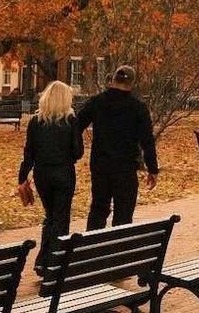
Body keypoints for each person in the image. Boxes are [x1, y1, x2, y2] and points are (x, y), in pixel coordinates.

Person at [77, 65, 158, 230]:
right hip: (125, 168)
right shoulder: (138, 108)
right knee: (124, 213)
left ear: (113, 79)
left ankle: (91, 248)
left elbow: (76, 125)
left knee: (98, 209)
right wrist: (152, 168)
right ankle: (118, 250)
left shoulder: (97, 102)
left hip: (100, 165)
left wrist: (75, 150)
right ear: (132, 84)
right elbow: (147, 141)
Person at [17, 80, 83, 276]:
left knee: (50, 215)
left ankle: (43, 260)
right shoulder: (70, 121)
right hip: (63, 173)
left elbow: (28, 153)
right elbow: (78, 152)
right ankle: (54, 260)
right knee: (61, 218)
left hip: (42, 174)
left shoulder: (36, 122)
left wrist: (22, 178)